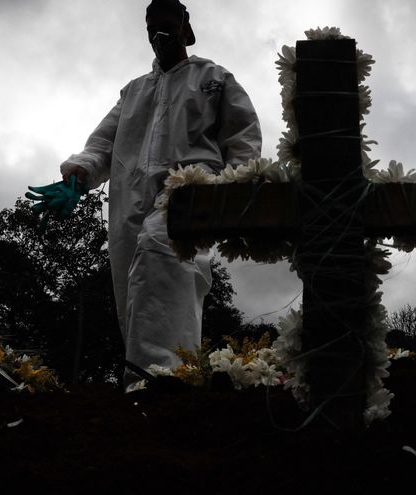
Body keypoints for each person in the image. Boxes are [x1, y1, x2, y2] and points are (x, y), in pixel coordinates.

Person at [59, 0, 262, 389]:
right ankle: (146, 383)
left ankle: (166, 383)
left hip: (192, 188)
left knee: (162, 257)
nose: (160, 32)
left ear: (187, 30)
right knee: (132, 292)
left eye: (168, 22)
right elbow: (103, 142)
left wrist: (238, 191)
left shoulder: (213, 77)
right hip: (128, 197)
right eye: (152, 25)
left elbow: (241, 135)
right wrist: (78, 175)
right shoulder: (134, 91)